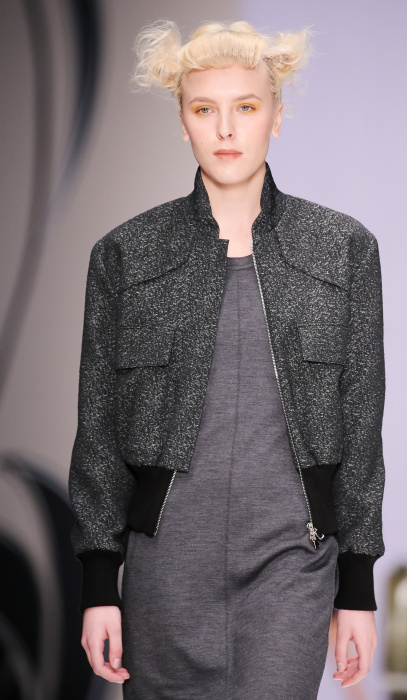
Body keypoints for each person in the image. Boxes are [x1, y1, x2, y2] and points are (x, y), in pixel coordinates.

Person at [68, 19, 386, 699]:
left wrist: (357, 586)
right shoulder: (126, 255)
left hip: (292, 560)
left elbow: (361, 422)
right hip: (165, 566)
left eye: (246, 106)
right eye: (203, 109)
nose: (226, 129)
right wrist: (99, 584)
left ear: (277, 115)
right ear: (183, 122)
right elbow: (98, 429)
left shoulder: (343, 249)